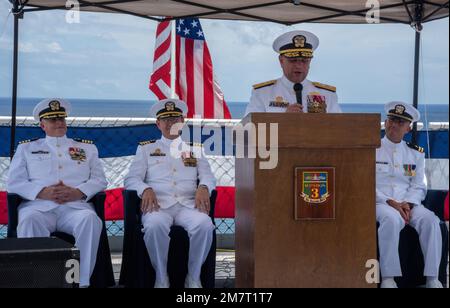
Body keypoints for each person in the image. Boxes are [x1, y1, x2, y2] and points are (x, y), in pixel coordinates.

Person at [7, 98, 107, 288]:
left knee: (90, 220)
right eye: (53, 120)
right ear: (42, 125)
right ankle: (41, 280)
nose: (59, 123)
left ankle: (80, 281)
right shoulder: (27, 148)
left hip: (75, 208)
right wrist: (42, 192)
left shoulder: (87, 148)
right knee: (29, 220)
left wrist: (78, 192)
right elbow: (14, 182)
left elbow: (100, 179)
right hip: (39, 207)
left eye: (61, 118)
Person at [124, 99, 216, 288]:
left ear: (182, 121)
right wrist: (145, 189)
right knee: (154, 226)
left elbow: (208, 176)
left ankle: (193, 276)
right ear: (158, 124)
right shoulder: (146, 149)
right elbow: (131, 179)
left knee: (205, 225)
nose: (170, 123)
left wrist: (204, 187)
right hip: (158, 206)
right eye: (165, 119)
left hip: (187, 206)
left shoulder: (195, 149)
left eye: (175, 118)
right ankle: (161, 277)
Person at [376, 101, 442, 288]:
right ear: (385, 121)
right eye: (391, 119)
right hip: (381, 202)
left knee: (431, 221)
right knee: (391, 219)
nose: (394, 124)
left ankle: (432, 278)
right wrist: (391, 202)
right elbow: (366, 183)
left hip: (409, 203)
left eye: (400, 121)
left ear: (408, 127)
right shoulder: (371, 149)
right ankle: (389, 278)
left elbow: (419, 185)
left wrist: (408, 204)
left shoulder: (415, 154)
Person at [245, 30, 342, 116]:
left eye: (304, 61)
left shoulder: (327, 95)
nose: (299, 65)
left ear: (310, 62)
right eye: (293, 60)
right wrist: (284, 120)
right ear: (281, 61)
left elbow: (339, 129)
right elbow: (250, 129)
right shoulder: (262, 93)